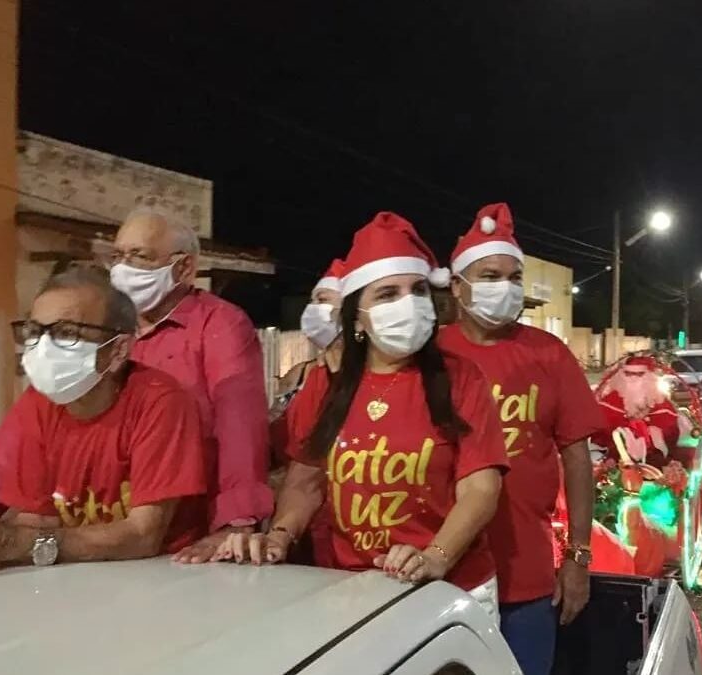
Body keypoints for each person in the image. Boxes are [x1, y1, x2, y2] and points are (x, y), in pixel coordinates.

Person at [205, 213, 510, 617]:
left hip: (449, 593)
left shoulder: (461, 379)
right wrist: (280, 535)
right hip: (349, 590)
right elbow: (306, 481)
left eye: (417, 290)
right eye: (387, 294)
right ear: (357, 317)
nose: (409, 304)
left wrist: (436, 556)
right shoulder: (324, 385)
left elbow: (480, 489)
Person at [437, 203, 604, 675]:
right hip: (443, 574)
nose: (505, 288)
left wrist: (578, 558)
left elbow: (576, 459)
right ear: (457, 287)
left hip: (527, 579)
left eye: (514, 278)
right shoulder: (431, 356)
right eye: (490, 276)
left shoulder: (548, 354)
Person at [0, 267, 209, 567]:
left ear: (118, 350)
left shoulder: (160, 401)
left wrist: (13, 543)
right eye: (35, 332)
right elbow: (35, 523)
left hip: (167, 575)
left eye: (67, 333)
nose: (44, 348)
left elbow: (143, 536)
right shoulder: (37, 404)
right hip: (76, 573)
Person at [106, 207, 273, 564]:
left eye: (140, 256)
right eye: (118, 256)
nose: (123, 269)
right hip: (112, 528)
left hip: (190, 535)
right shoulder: (108, 329)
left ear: (184, 268)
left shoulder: (220, 324)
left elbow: (239, 428)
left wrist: (236, 523)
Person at [271, 258, 346, 421]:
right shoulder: (299, 374)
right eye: (311, 301)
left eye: (322, 300)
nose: (312, 308)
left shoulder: (370, 376)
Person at [595, 355, 683, 467]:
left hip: (656, 464)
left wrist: (650, 433)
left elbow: (670, 434)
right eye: (628, 374)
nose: (633, 378)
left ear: (649, 377)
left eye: (639, 374)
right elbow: (600, 435)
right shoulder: (610, 402)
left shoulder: (662, 404)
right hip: (615, 462)